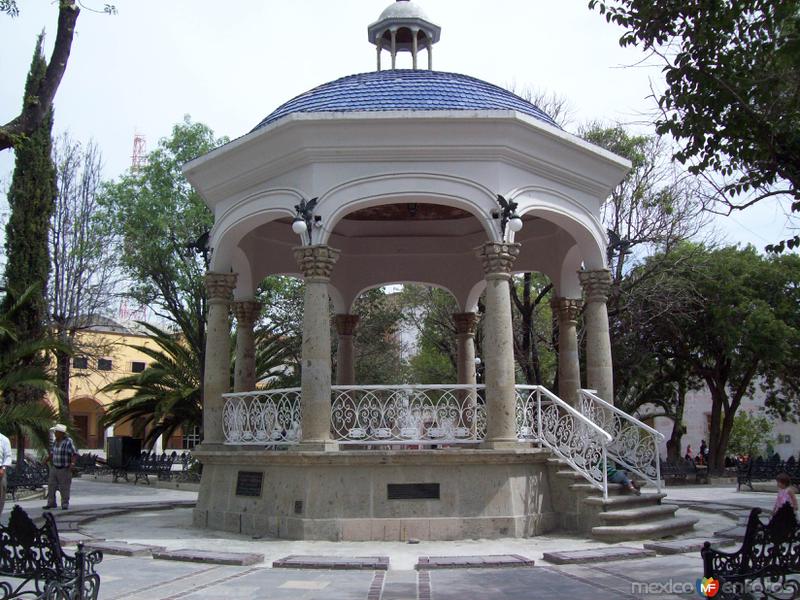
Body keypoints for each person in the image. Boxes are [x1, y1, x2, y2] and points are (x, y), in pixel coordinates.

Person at [43, 424, 77, 510]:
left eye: (56, 432)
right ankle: (51, 503)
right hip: (55, 467)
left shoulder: (68, 441)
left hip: (64, 468)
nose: (54, 433)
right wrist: (46, 460)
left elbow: (74, 454)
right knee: (51, 485)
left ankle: (65, 503)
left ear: (61, 433)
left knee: (64, 487)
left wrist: (72, 464)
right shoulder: (55, 442)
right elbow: (52, 453)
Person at [0, 430, 12, 516]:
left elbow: (8, 456)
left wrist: (3, 468)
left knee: (1, 496)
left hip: (0, 470)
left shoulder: (4, 440)